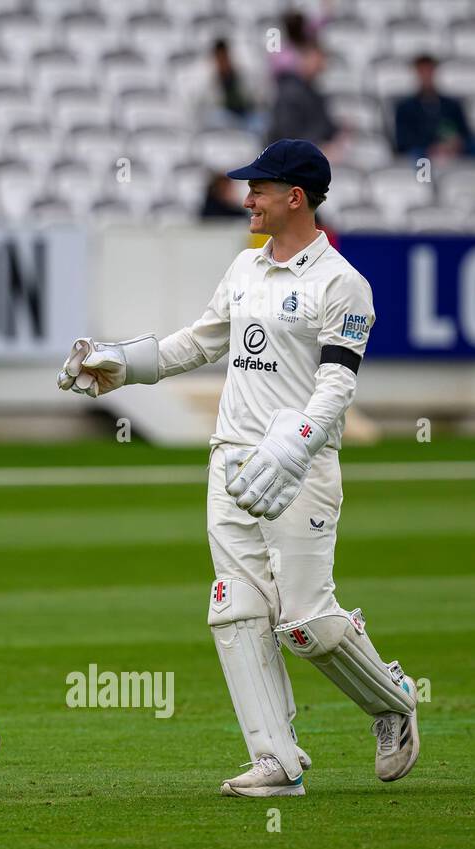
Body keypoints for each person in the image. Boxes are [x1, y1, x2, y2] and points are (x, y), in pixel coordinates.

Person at [56, 139, 419, 797]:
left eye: (258, 187)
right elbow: (199, 341)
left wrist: (297, 441)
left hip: (299, 468)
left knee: (304, 623)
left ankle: (392, 701)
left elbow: (337, 385)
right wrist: (118, 365)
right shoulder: (245, 268)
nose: (246, 197)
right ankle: (276, 763)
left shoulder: (342, 284)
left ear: (295, 197)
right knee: (235, 610)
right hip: (231, 461)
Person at [267, 43, 342, 160]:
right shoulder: (289, 91)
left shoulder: (315, 94)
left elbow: (325, 126)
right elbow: (286, 134)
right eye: (315, 60)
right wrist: (316, 146)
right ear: (303, 59)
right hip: (289, 157)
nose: (320, 66)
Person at [394, 54, 474, 162]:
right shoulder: (405, 108)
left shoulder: (452, 106)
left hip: (453, 154)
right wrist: (432, 147)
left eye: (429, 71)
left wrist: (455, 144)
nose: (426, 76)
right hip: (422, 155)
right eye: (422, 71)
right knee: (416, 155)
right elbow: (403, 142)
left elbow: (465, 134)